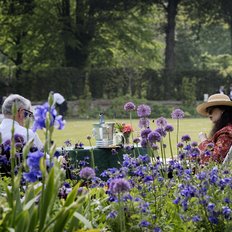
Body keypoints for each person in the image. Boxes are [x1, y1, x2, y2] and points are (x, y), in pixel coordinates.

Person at [196, 93, 232, 164]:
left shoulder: (226, 133)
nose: (209, 115)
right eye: (207, 111)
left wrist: (203, 140)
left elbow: (213, 160)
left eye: (211, 110)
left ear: (223, 111)